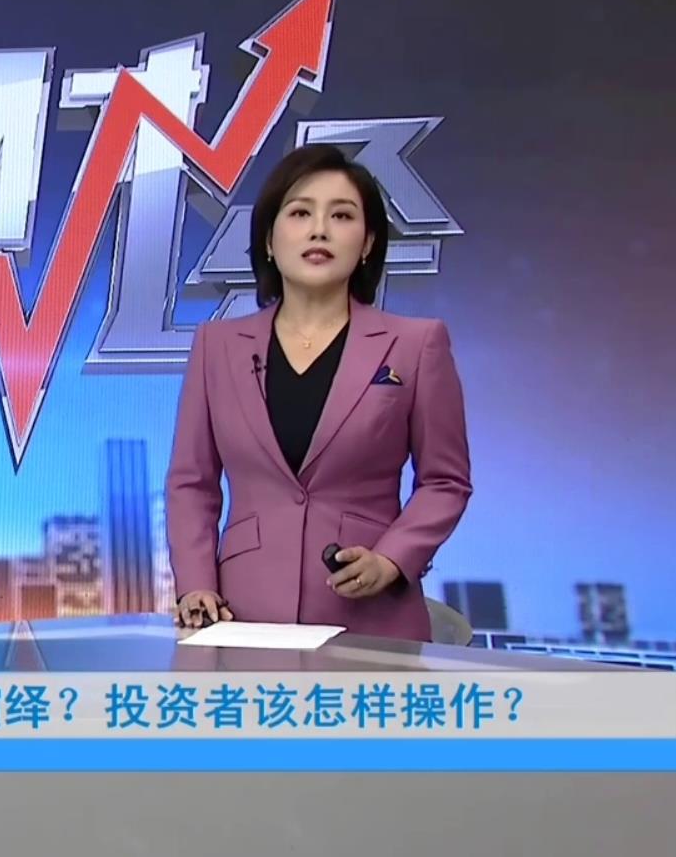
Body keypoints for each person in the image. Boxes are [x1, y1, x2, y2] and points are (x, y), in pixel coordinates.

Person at [165, 144, 471, 641]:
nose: (319, 230)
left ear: (368, 243)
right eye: (300, 213)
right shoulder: (216, 346)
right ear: (268, 240)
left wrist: (392, 558)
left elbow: (445, 481)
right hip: (242, 617)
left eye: (342, 215)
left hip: (370, 616)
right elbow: (192, 483)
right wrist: (195, 584)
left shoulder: (416, 344)